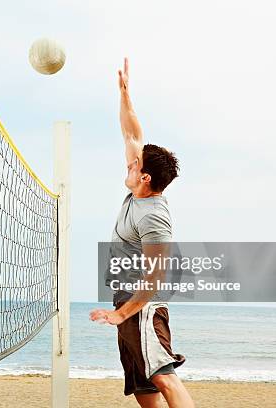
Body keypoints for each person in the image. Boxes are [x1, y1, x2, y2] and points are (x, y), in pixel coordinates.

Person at [89, 58, 195, 408]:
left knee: (163, 376)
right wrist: (124, 92)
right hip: (126, 300)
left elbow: (154, 278)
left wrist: (122, 314)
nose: (129, 163)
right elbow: (132, 133)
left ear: (146, 176)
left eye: (134, 165)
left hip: (144, 306)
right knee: (142, 384)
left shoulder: (153, 216)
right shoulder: (140, 188)